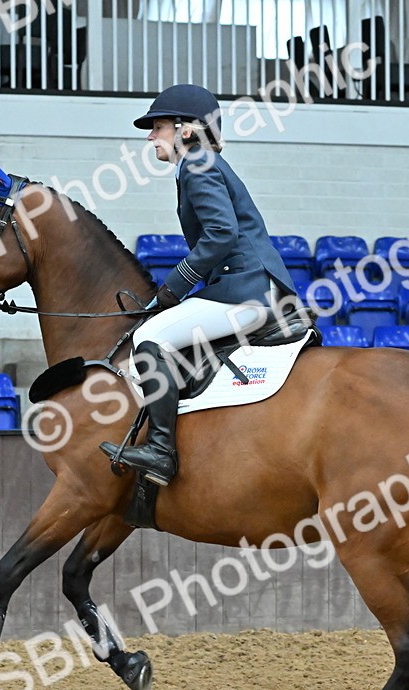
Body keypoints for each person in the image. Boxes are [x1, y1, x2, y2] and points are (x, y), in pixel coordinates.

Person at [99, 84, 298, 487]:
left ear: (186, 130)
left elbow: (221, 234)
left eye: (158, 127)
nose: (151, 136)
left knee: (149, 336)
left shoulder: (197, 164)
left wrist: (173, 288)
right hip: (247, 286)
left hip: (245, 290)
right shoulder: (199, 165)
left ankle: (160, 451)